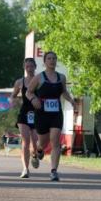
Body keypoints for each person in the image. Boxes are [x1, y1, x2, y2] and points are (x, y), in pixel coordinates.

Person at [26, 51, 76, 182]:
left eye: (54, 58)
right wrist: (33, 100)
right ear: (44, 62)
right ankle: (37, 151)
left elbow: (64, 92)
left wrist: (71, 100)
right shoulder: (39, 77)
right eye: (49, 58)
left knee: (55, 141)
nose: (52, 60)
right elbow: (28, 92)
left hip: (56, 113)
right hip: (42, 114)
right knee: (43, 142)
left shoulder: (61, 77)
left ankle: (54, 171)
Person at [11, 57, 40, 178]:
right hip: (24, 113)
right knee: (25, 141)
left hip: (37, 113)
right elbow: (13, 95)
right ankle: (25, 169)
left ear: (35, 67)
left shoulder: (40, 80)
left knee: (35, 142)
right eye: (27, 66)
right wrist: (13, 102)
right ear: (24, 68)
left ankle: (35, 155)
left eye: (31, 66)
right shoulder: (19, 82)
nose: (29, 69)